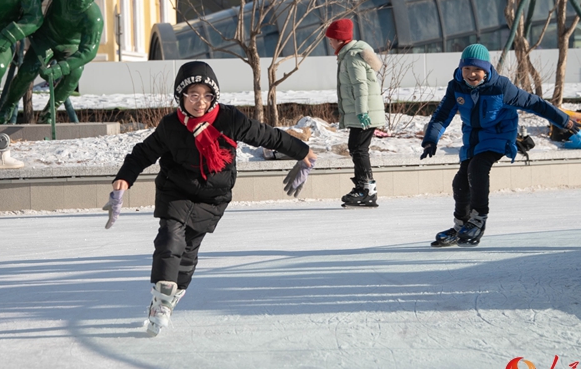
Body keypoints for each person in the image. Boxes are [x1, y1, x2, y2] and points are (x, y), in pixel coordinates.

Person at [103, 61, 317, 336]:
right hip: (176, 191)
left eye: (207, 95)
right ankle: (160, 299)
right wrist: (124, 178)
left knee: (188, 252)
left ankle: (171, 295)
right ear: (181, 96)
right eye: (193, 95)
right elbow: (143, 153)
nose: (200, 102)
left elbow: (268, 135)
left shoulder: (230, 120)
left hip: (212, 197)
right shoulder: (171, 126)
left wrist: (302, 151)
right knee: (170, 240)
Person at [421, 44, 575, 248]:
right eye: (466, 69)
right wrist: (431, 139)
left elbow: (534, 103)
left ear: (486, 70)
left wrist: (564, 121)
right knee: (460, 180)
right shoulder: (456, 86)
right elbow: (442, 115)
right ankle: (461, 225)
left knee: (477, 168)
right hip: (473, 139)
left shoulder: (501, 87)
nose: (471, 74)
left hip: (499, 136)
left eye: (476, 69)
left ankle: (478, 219)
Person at [0, 0, 104, 124]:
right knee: (28, 70)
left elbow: (88, 51)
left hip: (70, 45)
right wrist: (31, 13)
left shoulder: (94, 19)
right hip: (45, 37)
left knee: (75, 72)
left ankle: (50, 110)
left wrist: (62, 67)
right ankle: (8, 106)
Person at [325, 18, 386, 208]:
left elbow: (361, 85)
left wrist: (362, 112)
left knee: (358, 149)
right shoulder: (349, 55)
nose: (330, 42)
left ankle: (366, 190)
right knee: (356, 148)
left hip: (365, 113)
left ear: (341, 39)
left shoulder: (352, 57)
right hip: (364, 111)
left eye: (332, 38)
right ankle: (364, 187)